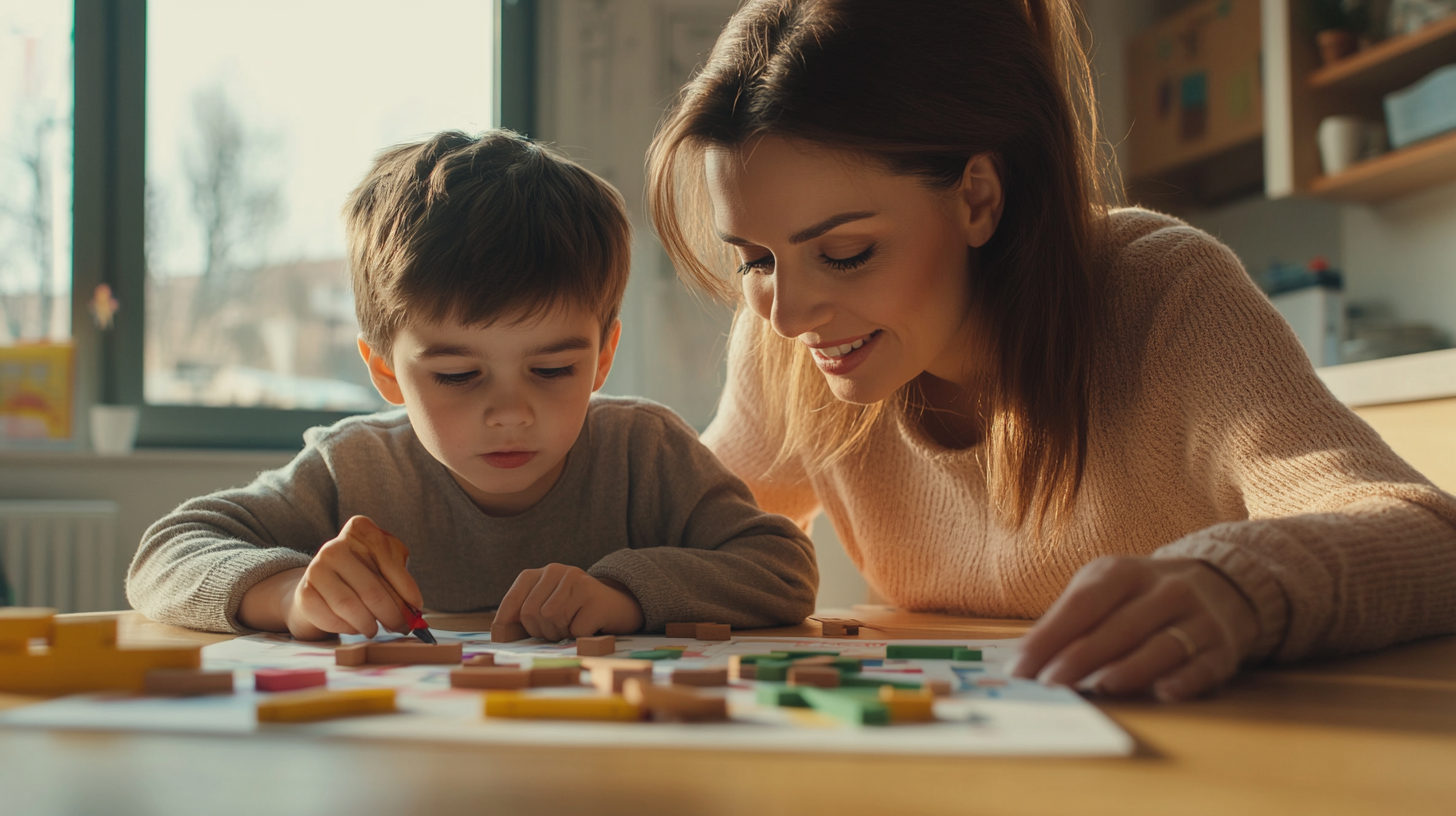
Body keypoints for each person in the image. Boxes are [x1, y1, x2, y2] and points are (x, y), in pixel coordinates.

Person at [646, 0, 1456, 700]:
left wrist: (1233, 584)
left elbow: (1425, 534)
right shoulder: (794, 341)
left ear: (977, 198)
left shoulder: (1163, 294)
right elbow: (675, 523)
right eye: (755, 259)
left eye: (847, 253)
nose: (786, 314)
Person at [127, 129, 817, 641]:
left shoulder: (644, 451)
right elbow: (165, 553)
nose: (511, 412)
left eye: (552, 370)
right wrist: (286, 594)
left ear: (603, 358)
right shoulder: (354, 467)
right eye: (459, 375)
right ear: (386, 371)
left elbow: (782, 567)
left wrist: (623, 594)